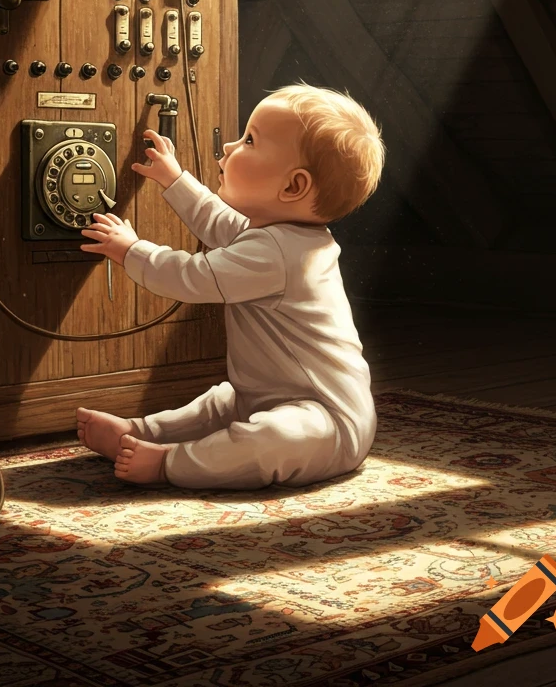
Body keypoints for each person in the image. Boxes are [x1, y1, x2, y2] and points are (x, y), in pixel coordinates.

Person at [77, 82, 386, 490]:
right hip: (264, 399)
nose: (229, 146)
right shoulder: (279, 237)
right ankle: (141, 432)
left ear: (293, 187)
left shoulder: (277, 253)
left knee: (272, 438)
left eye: (249, 140)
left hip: (328, 423)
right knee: (221, 404)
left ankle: (170, 462)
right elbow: (218, 221)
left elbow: (193, 276)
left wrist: (131, 250)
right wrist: (174, 179)